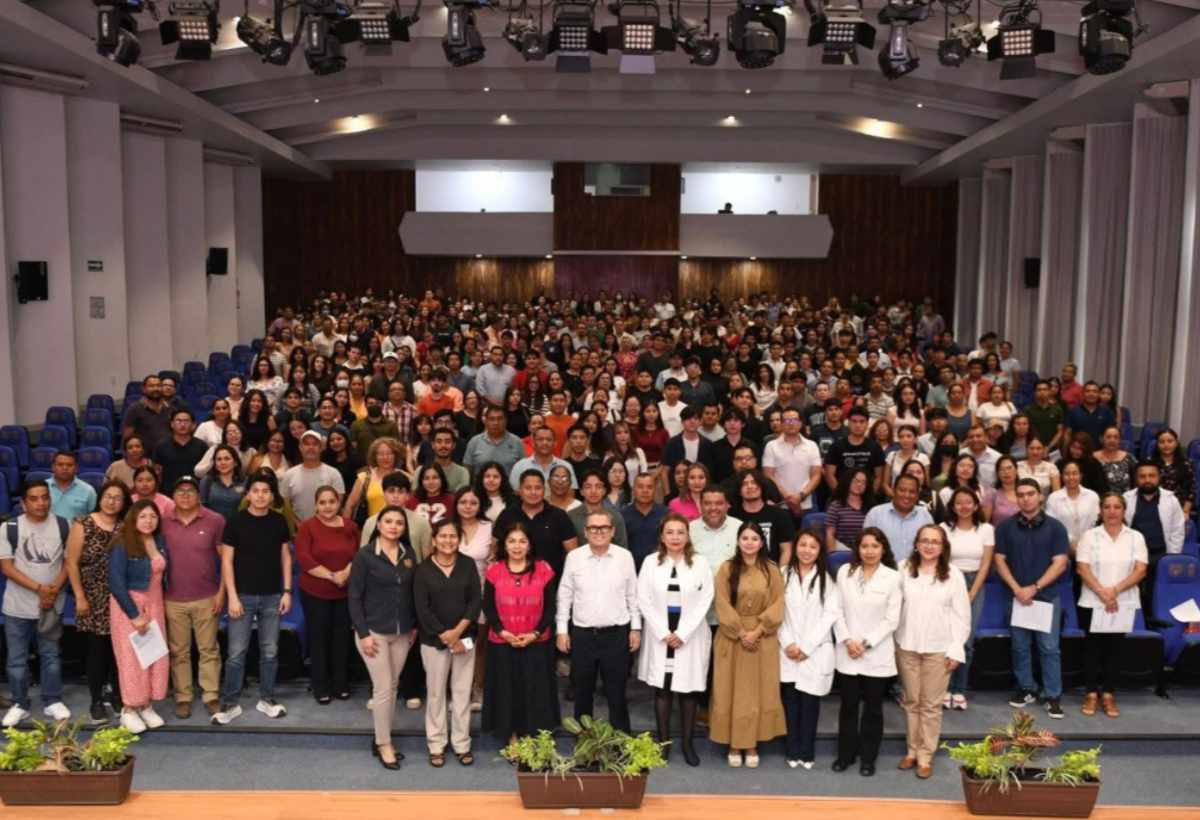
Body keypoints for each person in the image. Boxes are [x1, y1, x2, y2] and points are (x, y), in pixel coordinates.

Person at [214, 474, 294, 724]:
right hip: (243, 597)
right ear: (247, 494)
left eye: (265, 491)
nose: (260, 495)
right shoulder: (235, 522)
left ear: (272, 496)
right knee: (236, 652)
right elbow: (226, 561)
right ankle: (230, 703)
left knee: (270, 651)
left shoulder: (279, 521)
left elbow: (285, 557)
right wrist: (233, 597)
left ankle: (267, 698)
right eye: (256, 490)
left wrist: (287, 591)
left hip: (272, 595)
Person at [636, 513, 713, 767]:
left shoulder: (700, 563)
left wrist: (682, 633)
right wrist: (662, 632)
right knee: (663, 689)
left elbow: (705, 599)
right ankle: (664, 743)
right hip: (661, 634)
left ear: (688, 535)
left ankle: (688, 744)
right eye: (670, 532)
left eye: (680, 532)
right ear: (662, 536)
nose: (675, 537)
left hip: (689, 634)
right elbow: (643, 598)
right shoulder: (650, 562)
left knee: (688, 690)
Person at [895, 525, 970, 779]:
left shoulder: (954, 575)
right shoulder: (904, 568)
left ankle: (926, 755)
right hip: (907, 645)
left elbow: (962, 616)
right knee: (911, 702)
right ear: (916, 544)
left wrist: (956, 649)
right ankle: (912, 751)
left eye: (935, 542)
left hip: (939, 648)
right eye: (924, 541)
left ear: (943, 547)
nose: (929, 545)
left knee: (930, 705)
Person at [556, 510, 641, 732]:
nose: (599, 532)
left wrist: (636, 628)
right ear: (585, 532)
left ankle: (622, 744)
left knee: (617, 694)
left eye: (604, 528)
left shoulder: (625, 557)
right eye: (593, 528)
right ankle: (584, 745)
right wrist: (562, 630)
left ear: (613, 531)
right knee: (582, 694)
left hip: (617, 635)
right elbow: (565, 595)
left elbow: (633, 595)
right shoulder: (574, 557)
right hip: (583, 635)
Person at [709, 521, 785, 769]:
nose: (750, 542)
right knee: (729, 691)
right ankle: (733, 743)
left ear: (762, 542)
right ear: (738, 541)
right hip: (732, 637)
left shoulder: (772, 570)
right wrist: (742, 632)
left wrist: (758, 630)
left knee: (757, 693)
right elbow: (721, 603)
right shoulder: (726, 569)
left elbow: (778, 603)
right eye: (745, 538)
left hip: (763, 639)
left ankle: (752, 743)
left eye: (754, 538)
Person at [992, 478, 1069, 719]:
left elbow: (1060, 563)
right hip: (1016, 596)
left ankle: (1052, 695)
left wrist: (1034, 587)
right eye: (1021, 494)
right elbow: (999, 560)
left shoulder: (1056, 527)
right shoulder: (1005, 527)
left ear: (1040, 496)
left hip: (1046, 596)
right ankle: (1027, 688)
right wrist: (1017, 588)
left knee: (1049, 648)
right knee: (1020, 646)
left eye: (1030, 494)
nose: (1026, 498)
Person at [349, 505, 418, 770]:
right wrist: (363, 634)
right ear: (378, 525)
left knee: (392, 687)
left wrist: (413, 626)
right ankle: (383, 743)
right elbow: (354, 597)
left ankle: (382, 736)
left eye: (399, 523)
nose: (393, 526)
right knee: (383, 688)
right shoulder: (365, 556)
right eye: (388, 521)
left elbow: (413, 592)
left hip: (402, 634)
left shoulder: (408, 554)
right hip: (373, 633)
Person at [1, 480, 72, 727]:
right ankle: (20, 703)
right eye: (34, 498)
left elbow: (68, 563)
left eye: (44, 497)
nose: (41, 503)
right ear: (23, 502)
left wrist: (52, 590)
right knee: (17, 661)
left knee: (51, 656)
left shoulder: (63, 525)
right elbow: (7, 567)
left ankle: (52, 700)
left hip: (51, 606)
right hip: (17, 608)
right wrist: (40, 589)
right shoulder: (9, 527)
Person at [832, 527, 901, 777]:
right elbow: (836, 610)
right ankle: (845, 754)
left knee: (873, 708)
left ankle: (868, 758)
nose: (869, 551)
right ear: (857, 549)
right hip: (848, 650)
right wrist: (848, 640)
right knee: (848, 706)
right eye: (864, 546)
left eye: (875, 546)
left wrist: (866, 643)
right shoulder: (844, 572)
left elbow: (892, 619)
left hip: (876, 652)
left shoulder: (893, 577)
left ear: (883, 549)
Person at [482, 522, 560, 744]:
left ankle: (533, 736)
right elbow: (488, 606)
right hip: (502, 643)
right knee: (508, 691)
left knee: (534, 690)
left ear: (529, 545)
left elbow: (550, 608)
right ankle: (512, 736)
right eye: (512, 541)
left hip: (536, 642)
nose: (517, 546)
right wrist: (503, 632)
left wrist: (534, 634)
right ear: (504, 545)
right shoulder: (494, 571)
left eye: (522, 541)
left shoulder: (544, 569)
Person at [413, 519, 480, 768]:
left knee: (462, 693)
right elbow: (423, 609)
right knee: (436, 693)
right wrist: (445, 635)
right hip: (433, 641)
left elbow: (475, 601)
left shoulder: (468, 564)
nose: (448, 541)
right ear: (434, 539)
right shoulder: (422, 570)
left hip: (466, 639)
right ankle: (436, 744)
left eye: (453, 536)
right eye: (443, 536)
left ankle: (462, 744)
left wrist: (459, 634)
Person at [161, 475, 226, 721]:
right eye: (180, 491)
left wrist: (222, 593)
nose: (185, 495)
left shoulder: (215, 520)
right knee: (179, 651)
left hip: (207, 597)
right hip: (173, 598)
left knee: (209, 649)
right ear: (173, 496)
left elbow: (226, 560)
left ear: (199, 495)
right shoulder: (163, 521)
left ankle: (211, 695)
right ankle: (183, 697)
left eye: (190, 491)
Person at [1076, 493, 1148, 719]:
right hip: (1092, 601)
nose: (1112, 511)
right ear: (1100, 510)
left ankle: (1108, 694)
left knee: (1114, 650)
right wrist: (1102, 592)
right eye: (1107, 507)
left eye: (1117, 507)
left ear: (1124, 510)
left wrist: (1114, 591)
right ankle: (1090, 693)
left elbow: (1141, 570)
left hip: (1123, 602)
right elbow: (1082, 568)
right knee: (1092, 649)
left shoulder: (1135, 537)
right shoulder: (1089, 536)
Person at [65, 480, 130, 723]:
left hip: (121, 596)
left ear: (123, 503)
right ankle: (96, 699)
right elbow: (71, 563)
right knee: (97, 650)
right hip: (92, 596)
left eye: (118, 498)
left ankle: (116, 693)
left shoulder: (125, 527)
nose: (112, 501)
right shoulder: (84, 523)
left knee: (119, 650)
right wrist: (80, 596)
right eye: (108, 496)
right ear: (100, 498)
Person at [108, 499, 171, 734]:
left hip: (155, 604)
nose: (148, 521)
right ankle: (129, 709)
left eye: (153, 516)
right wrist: (134, 615)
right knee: (132, 659)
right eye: (143, 516)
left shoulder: (159, 541)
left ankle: (146, 705)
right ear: (133, 518)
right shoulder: (122, 543)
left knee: (154, 656)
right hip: (129, 607)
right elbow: (116, 583)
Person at [778, 530, 840, 770]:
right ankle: (792, 749)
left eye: (812, 546)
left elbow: (830, 615)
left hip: (815, 650)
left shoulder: (827, 579)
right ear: (795, 547)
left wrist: (806, 647)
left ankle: (807, 750)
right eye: (802, 545)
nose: (806, 550)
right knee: (791, 702)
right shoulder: (783, 575)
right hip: (788, 649)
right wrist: (788, 643)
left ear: (819, 551)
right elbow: (777, 614)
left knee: (810, 704)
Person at [296, 486, 359, 704]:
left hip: (344, 593)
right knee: (319, 639)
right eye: (322, 502)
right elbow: (304, 559)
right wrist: (333, 576)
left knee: (341, 639)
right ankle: (320, 686)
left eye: (331, 501)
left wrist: (345, 574)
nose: (327, 506)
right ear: (316, 505)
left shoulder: (350, 526)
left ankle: (340, 684)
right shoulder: (307, 527)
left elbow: (358, 555)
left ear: (338, 503)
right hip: (315, 592)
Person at [940, 488, 994, 710]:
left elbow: (986, 564)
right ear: (952, 506)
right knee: (945, 637)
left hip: (975, 583)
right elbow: (941, 561)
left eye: (968, 502)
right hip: (949, 580)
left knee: (966, 639)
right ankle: (943, 688)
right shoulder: (944, 529)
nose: (964, 507)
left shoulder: (986, 529)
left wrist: (972, 593)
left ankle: (959, 689)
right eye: (959, 503)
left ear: (975, 505)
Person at [1122, 461, 1185, 610]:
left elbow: (1177, 530)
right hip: (1133, 556)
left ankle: (1153, 622)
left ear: (1159, 477)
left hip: (1161, 555)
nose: (1147, 480)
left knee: (1156, 595)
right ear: (1136, 479)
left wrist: (1172, 557)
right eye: (1142, 476)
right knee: (1131, 594)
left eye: (1152, 476)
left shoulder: (1171, 500)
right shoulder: (1126, 498)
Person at [494, 470, 578, 578]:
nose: (533, 492)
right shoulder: (507, 515)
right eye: (528, 488)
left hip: (551, 583)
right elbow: (495, 550)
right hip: (512, 582)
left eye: (538, 488)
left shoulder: (559, 516)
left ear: (544, 490)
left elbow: (573, 554)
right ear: (520, 490)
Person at [452, 488, 492, 711]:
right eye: (463, 502)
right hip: (451, 596)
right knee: (457, 642)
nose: (467, 506)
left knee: (478, 644)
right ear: (456, 504)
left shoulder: (489, 528)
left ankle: (478, 687)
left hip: (481, 594)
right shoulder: (447, 528)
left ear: (480, 505)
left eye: (473, 502)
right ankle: (458, 690)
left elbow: (495, 560)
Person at [762, 408, 823, 521]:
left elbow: (816, 475)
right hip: (780, 505)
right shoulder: (771, 446)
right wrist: (789, 499)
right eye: (787, 420)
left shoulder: (812, 445)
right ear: (781, 423)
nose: (791, 424)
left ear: (800, 423)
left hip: (806, 504)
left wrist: (800, 496)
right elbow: (768, 475)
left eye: (794, 420)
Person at [861, 475, 934, 564]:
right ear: (893, 490)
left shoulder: (925, 516)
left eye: (912, 492)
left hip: (915, 573)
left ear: (917, 494)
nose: (907, 495)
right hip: (882, 574)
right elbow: (864, 546)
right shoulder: (875, 514)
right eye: (902, 490)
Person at [733, 469, 796, 564]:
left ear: (762, 486)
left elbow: (786, 551)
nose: (750, 486)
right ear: (739, 491)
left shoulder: (780, 515)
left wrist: (780, 576)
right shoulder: (732, 515)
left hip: (771, 573)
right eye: (744, 484)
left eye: (754, 482)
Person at [280, 430, 346, 522]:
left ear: (321, 448)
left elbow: (338, 503)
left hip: (327, 527)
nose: (311, 447)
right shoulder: (289, 474)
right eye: (306, 444)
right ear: (300, 447)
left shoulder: (333, 473)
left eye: (315, 444)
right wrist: (298, 525)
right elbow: (285, 505)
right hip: (299, 529)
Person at [343, 437, 405, 522]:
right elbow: (350, 505)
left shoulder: (405, 477)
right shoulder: (364, 478)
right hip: (371, 528)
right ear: (374, 456)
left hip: (398, 527)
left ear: (396, 455)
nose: (385, 457)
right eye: (381, 454)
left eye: (389, 453)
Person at [1046, 462, 1101, 554]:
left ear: (1081, 476)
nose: (1071, 477)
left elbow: (1096, 522)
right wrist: (1070, 543)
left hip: (1090, 547)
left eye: (1075, 473)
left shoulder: (1092, 496)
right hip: (1062, 547)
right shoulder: (1054, 498)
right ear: (1062, 476)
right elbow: (1052, 525)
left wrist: (1085, 544)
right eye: (1067, 474)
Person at [622, 471, 669, 571]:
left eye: (649, 487)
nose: (645, 491)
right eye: (640, 487)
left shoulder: (666, 514)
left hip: (660, 569)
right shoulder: (622, 515)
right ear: (633, 489)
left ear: (655, 489)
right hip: (630, 570)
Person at [153, 409, 209, 490]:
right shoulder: (161, 446)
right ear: (172, 424)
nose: (182, 424)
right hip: (168, 491)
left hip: (195, 491)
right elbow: (157, 472)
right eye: (178, 421)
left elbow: (206, 473)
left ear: (193, 425)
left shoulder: (202, 446)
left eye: (186, 421)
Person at [464, 405, 525, 477]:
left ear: (506, 421)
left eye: (500, 419)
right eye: (492, 419)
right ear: (486, 421)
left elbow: (522, 470)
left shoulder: (517, 442)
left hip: (508, 487)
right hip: (479, 487)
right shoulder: (474, 442)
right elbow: (467, 470)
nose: (496, 423)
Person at [122, 374, 171, 453]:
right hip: (144, 459)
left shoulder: (171, 408)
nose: (156, 389)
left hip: (167, 456)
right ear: (144, 389)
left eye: (158, 386)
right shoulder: (134, 409)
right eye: (151, 386)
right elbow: (127, 437)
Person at [47, 450, 97, 522]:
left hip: (78, 532)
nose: (65, 468)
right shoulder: (43, 487)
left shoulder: (88, 490)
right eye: (60, 464)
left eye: (69, 465)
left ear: (76, 468)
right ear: (53, 467)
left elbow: (95, 517)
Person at [1095, 426, 1138, 494]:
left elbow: (1137, 480)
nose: (1112, 440)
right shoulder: (1093, 458)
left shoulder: (1129, 458)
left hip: (1124, 500)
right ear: (1102, 439)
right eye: (1108, 437)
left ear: (1120, 440)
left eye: (1116, 437)